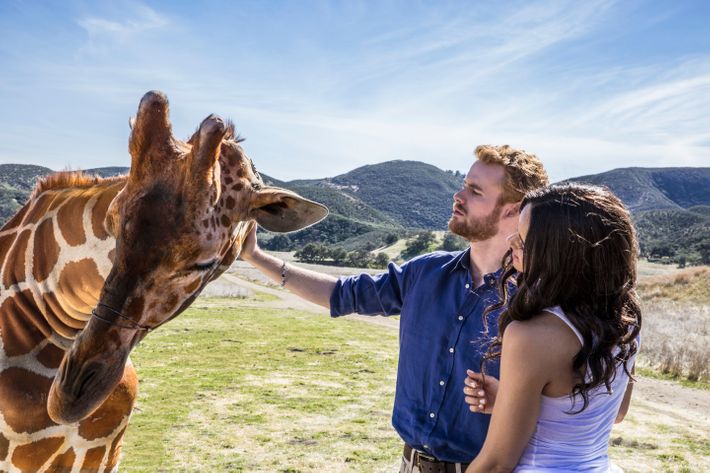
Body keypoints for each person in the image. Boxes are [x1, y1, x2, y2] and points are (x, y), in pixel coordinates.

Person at [240, 145, 549, 471]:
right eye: (464, 185)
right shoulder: (424, 273)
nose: (458, 195)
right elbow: (341, 293)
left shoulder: (539, 300)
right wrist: (256, 257)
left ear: (512, 211)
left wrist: (515, 403)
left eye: (475, 191)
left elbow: (593, 403)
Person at [462, 184, 641, 472]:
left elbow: (495, 463)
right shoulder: (625, 322)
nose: (512, 244)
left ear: (559, 252)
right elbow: (615, 413)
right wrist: (509, 400)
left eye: (523, 239)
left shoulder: (532, 336)